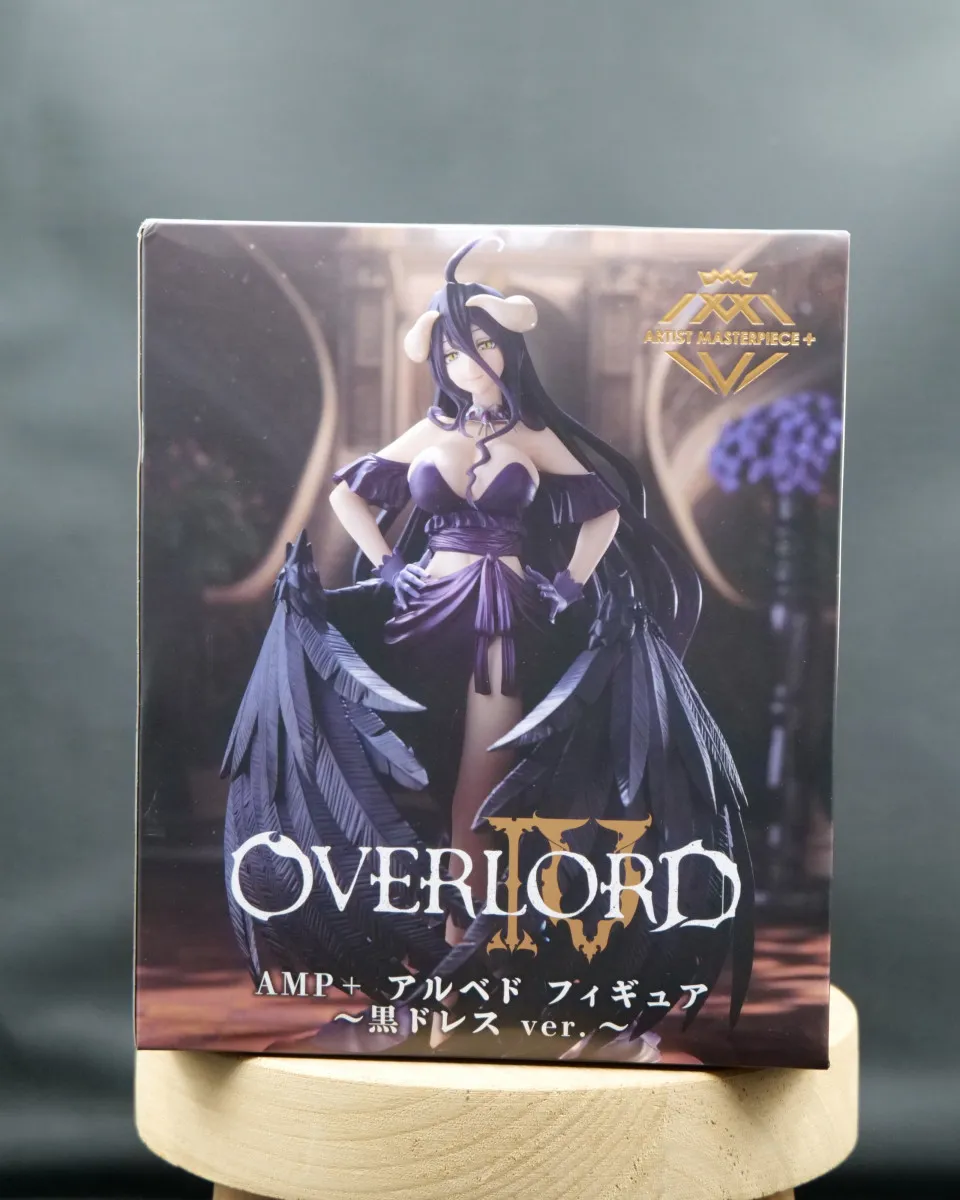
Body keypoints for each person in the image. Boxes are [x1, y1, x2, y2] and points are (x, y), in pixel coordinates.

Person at [222, 238, 754, 1059]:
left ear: (509, 351)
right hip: (419, 610)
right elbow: (349, 494)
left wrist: (571, 583)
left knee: (484, 780)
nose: (469, 363)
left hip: (502, 616)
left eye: (484, 346)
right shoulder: (431, 429)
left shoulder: (532, 435)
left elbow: (603, 510)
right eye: (454, 351)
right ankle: (431, 939)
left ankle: (473, 944)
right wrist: (387, 564)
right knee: (406, 767)